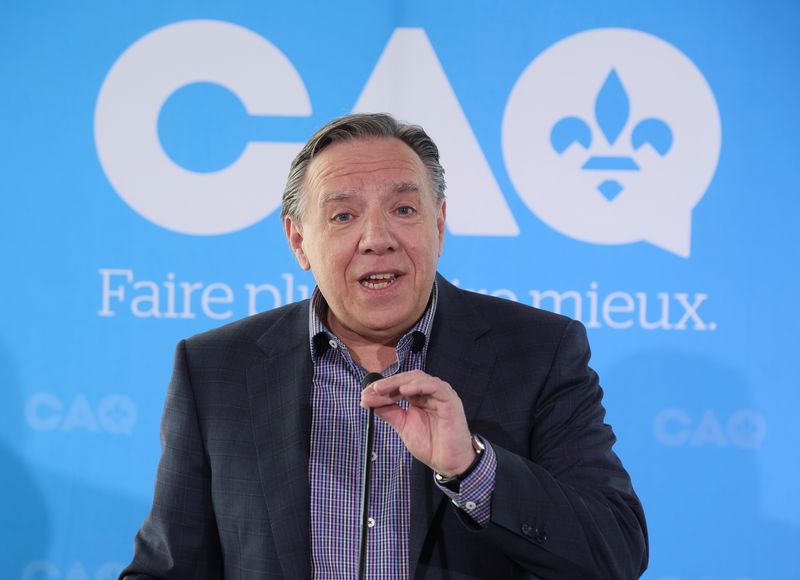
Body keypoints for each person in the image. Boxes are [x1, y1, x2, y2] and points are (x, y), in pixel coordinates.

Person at [120, 113, 648, 579]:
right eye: (343, 215)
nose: (378, 238)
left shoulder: (538, 352)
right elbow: (168, 570)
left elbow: (615, 554)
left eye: (403, 209)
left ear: (439, 225)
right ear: (299, 241)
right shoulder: (215, 368)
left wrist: (472, 469)